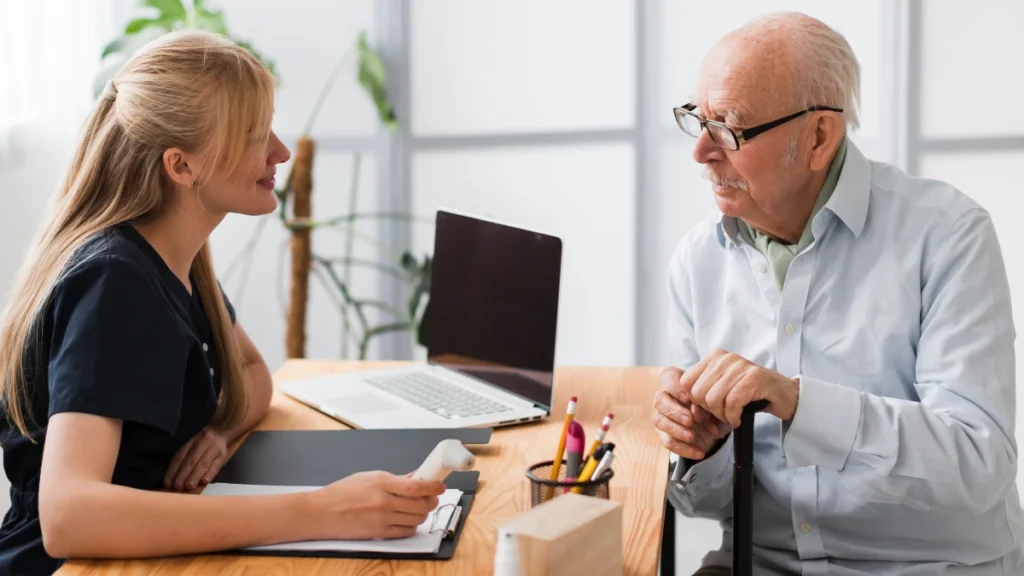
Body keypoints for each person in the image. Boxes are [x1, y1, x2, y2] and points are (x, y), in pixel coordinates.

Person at [0, 30, 446, 575]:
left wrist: (220, 432)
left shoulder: (174, 258)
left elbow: (253, 374)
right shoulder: (114, 281)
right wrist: (322, 510)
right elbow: (69, 516)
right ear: (181, 166)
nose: (280, 152)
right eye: (255, 135)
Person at [654, 11, 1023, 576]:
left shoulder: (949, 235)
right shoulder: (697, 260)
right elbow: (706, 505)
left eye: (728, 127)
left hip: (925, 567)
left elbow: (978, 465)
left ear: (819, 137)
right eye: (697, 119)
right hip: (761, 561)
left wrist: (799, 404)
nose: (701, 151)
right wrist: (704, 448)